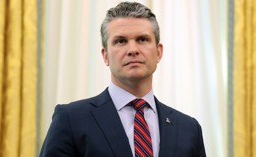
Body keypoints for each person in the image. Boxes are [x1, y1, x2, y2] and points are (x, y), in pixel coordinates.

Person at [39, 2, 206, 157]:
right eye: (121, 41)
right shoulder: (70, 120)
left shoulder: (189, 129)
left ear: (159, 52)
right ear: (105, 56)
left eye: (142, 39)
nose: (132, 49)